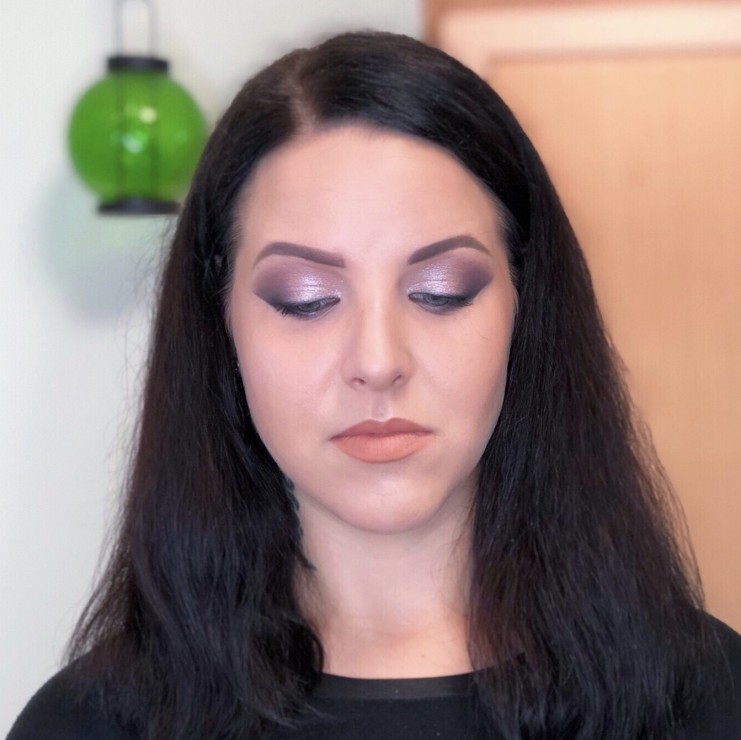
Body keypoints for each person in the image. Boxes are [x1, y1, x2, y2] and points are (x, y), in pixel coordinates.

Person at [8, 31, 741, 740]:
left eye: (441, 290)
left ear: (526, 307)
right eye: (305, 298)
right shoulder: (92, 724)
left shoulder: (708, 699)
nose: (379, 359)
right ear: (221, 324)